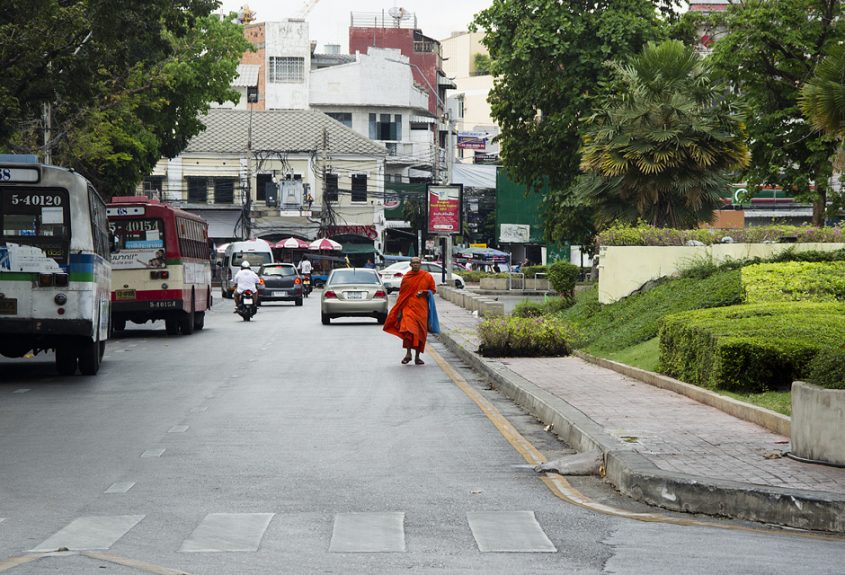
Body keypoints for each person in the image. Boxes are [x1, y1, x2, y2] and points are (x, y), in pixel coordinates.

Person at [383, 257, 436, 365]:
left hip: (421, 309)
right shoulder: (406, 277)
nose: (416, 265)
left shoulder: (427, 276)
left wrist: (425, 292)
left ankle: (417, 356)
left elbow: (433, 290)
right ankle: (408, 354)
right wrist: (399, 311)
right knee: (408, 329)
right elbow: (402, 295)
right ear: (410, 265)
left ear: (420, 264)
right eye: (414, 263)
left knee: (420, 332)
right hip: (408, 308)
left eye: (418, 263)